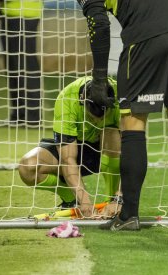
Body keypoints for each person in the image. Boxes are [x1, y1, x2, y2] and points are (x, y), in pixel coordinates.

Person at [77, 0, 168, 231]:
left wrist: (99, 79)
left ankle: (128, 216)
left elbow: (99, 24)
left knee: (132, 123)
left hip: (147, 37)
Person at [18, 77, 122, 218]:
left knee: (110, 132)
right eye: (92, 117)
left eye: (103, 116)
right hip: (74, 149)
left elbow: (133, 152)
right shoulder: (67, 99)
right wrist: (84, 202)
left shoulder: (122, 96)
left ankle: (112, 201)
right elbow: (68, 159)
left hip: (105, 150)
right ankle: (71, 200)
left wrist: (120, 198)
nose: (98, 120)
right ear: (82, 101)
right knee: (28, 166)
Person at [0, 0, 42, 126]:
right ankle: (19, 115)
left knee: (25, 64)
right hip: (12, 13)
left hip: (22, 14)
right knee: (13, 65)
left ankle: (32, 117)